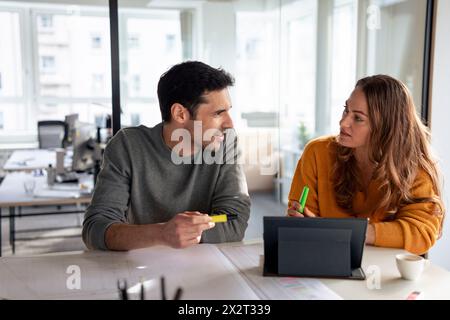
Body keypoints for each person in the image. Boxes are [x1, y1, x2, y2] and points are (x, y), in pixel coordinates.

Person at [83, 61, 250, 251]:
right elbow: (95, 229)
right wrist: (162, 234)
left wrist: (183, 234)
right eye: (219, 113)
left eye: (228, 111)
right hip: (140, 268)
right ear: (180, 114)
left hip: (203, 267)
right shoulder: (127, 146)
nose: (230, 124)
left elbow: (235, 222)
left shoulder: (226, 142)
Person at [287, 75, 444, 255]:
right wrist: (300, 223)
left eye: (358, 118)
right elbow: (301, 225)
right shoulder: (317, 153)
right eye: (346, 110)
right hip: (325, 262)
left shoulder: (414, 168)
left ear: (386, 126)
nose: (343, 122)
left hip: (386, 274)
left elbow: (421, 232)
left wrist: (347, 232)